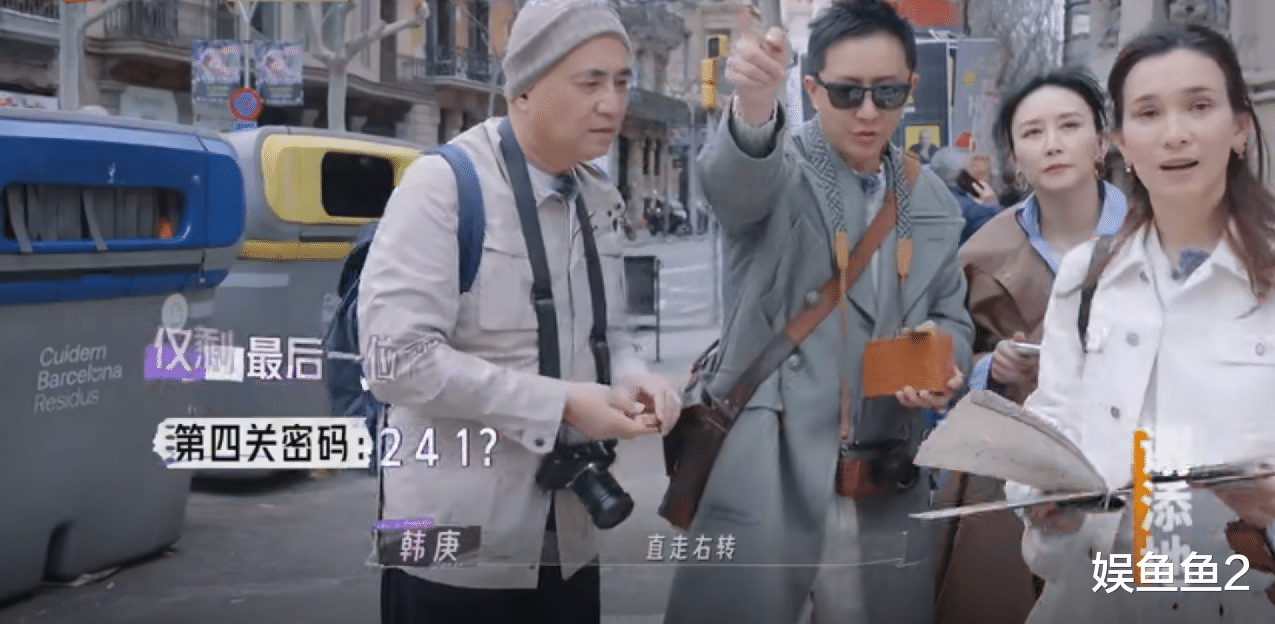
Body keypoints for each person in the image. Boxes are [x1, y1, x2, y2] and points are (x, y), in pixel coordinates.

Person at [358, 1, 682, 622]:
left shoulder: (597, 195)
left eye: (621, 82)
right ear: (525, 89)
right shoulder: (442, 185)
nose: (612, 104)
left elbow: (608, 332)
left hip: (570, 534)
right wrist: (562, 404)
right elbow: (393, 361)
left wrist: (636, 376)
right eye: (590, 82)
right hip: (445, 537)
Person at [663, 2, 972, 623]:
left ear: (911, 88)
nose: (867, 112)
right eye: (846, 92)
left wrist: (940, 355)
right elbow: (737, 185)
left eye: (887, 93)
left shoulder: (931, 197)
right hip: (769, 462)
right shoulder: (782, 167)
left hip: (881, 470)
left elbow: (953, 314)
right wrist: (754, 105)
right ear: (810, 88)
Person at [1008, 22, 1275, 623]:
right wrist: (1039, 493)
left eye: (1199, 106)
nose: (1175, 134)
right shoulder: (1088, 276)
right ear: (1121, 144)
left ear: (1239, 127)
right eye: (1149, 113)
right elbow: (1053, 419)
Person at [933, 66, 1129, 624]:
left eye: (1069, 125)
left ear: (1101, 142)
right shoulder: (983, 252)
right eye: (1033, 132)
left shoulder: (1154, 234)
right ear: (1015, 157)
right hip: (1010, 467)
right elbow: (951, 356)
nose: (1053, 144)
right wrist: (991, 369)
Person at [928, 146, 1000, 244]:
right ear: (959, 174)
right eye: (972, 167)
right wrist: (993, 207)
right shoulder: (971, 210)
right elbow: (1001, 235)